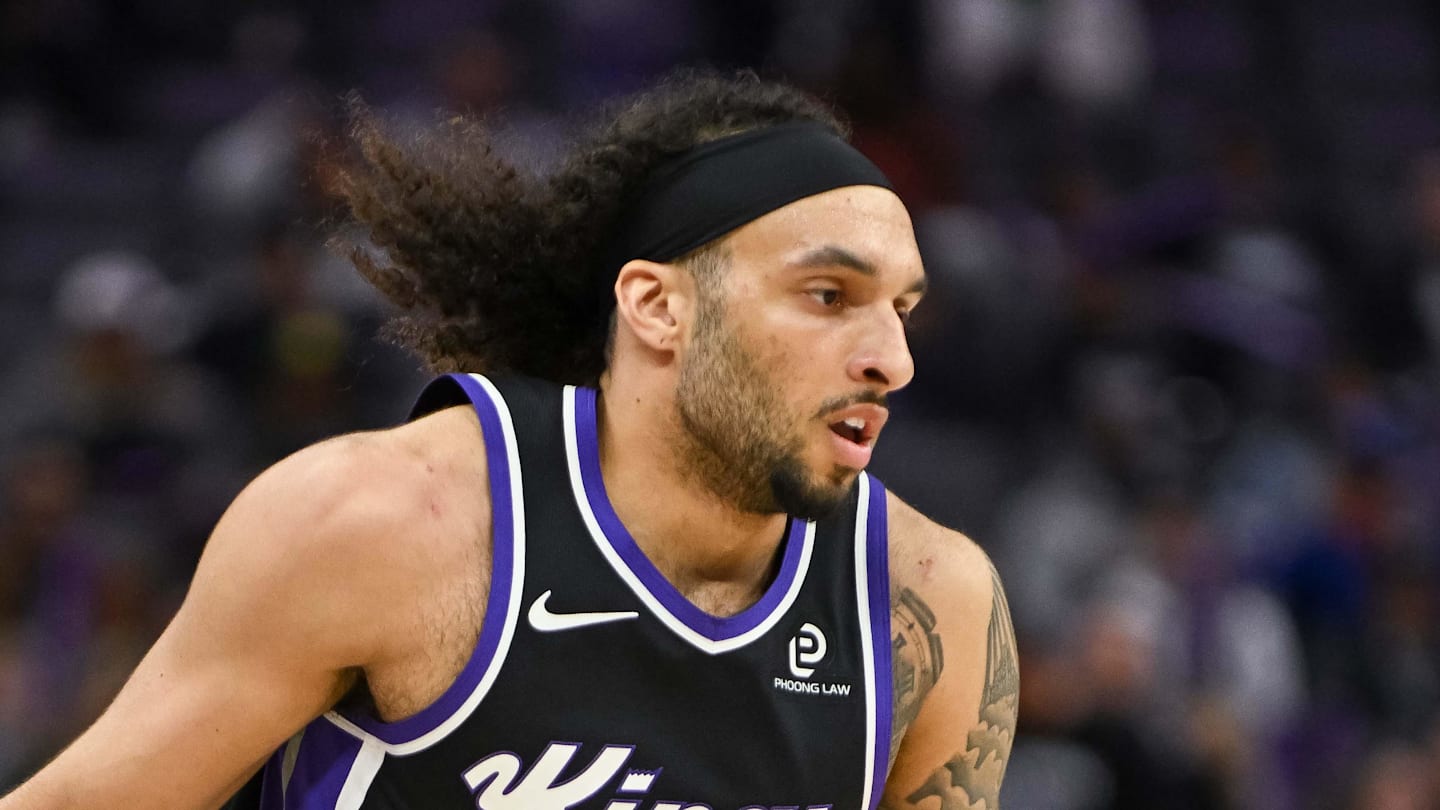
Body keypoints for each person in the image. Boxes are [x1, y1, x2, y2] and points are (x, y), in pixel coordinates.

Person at [0, 71, 1017, 810]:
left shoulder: (929, 604)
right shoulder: (387, 525)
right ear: (657, 308)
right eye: (828, 295)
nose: (891, 359)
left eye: (902, 309)